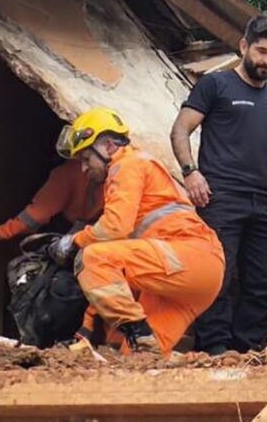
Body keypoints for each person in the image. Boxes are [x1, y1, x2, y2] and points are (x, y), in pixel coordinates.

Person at [170, 13, 267, 355]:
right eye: (261, 51)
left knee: (265, 281)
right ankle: (214, 351)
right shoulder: (215, 85)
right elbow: (181, 129)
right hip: (222, 197)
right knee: (218, 276)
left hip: (266, 202)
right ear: (243, 46)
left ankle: (246, 350)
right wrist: (190, 171)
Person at [48, 107, 224, 356]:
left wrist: (72, 242)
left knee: (93, 257)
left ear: (109, 147)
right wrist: (86, 329)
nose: (84, 170)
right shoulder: (137, 169)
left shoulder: (127, 164)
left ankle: (138, 333)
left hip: (187, 256)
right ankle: (143, 344)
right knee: (140, 358)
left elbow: (114, 228)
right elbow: (113, 282)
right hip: (196, 274)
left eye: (86, 159)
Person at [0, 159, 103, 240]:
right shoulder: (116, 174)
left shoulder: (70, 171)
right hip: (100, 238)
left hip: (69, 233)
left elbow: (39, 213)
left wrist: (3, 232)